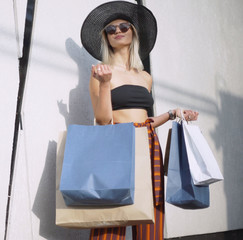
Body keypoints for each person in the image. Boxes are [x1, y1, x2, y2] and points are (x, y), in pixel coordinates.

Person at [80, 1, 198, 240]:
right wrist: (104, 83)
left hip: (149, 143)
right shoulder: (101, 73)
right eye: (111, 29)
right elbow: (103, 121)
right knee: (112, 213)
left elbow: (145, 120)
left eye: (123, 26)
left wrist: (174, 113)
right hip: (118, 145)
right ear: (106, 37)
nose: (118, 31)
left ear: (133, 31)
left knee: (151, 215)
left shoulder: (145, 77)